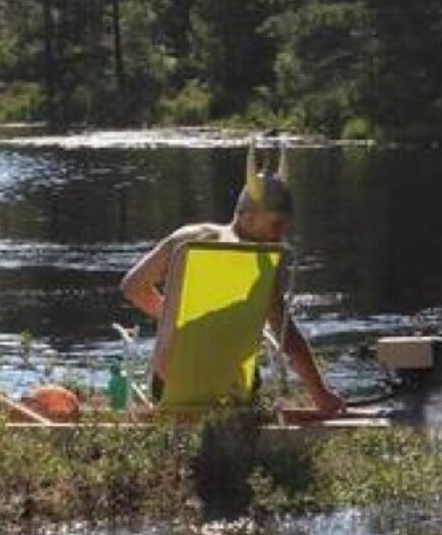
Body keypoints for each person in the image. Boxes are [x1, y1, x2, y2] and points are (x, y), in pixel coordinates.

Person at [119, 139, 345, 415]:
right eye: (276, 225)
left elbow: (133, 287)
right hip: (236, 387)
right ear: (247, 218)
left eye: (284, 228)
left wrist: (177, 319)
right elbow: (287, 337)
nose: (280, 236)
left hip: (169, 383)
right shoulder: (261, 262)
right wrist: (322, 397)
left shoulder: (188, 238)